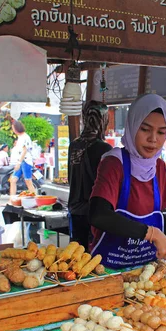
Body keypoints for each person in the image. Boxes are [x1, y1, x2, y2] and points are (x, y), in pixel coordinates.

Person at [89, 94, 166, 268]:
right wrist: (151, 234)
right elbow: (98, 215)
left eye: (161, 132)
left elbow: (158, 220)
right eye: (145, 129)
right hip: (108, 269)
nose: (153, 139)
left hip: (146, 271)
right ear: (132, 126)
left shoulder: (158, 167)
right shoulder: (114, 163)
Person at [68, 101, 112, 248]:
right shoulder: (104, 148)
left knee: (76, 254)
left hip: (74, 209)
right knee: (93, 254)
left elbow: (70, 177)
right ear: (103, 120)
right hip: (94, 212)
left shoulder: (74, 144)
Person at [9, 120, 36, 200]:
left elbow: (25, 150)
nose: (13, 130)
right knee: (13, 180)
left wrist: (19, 162)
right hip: (22, 161)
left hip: (25, 161)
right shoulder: (21, 137)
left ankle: (35, 200)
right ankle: (12, 200)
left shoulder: (24, 137)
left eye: (13, 128)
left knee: (28, 181)